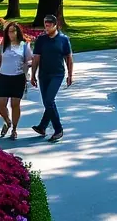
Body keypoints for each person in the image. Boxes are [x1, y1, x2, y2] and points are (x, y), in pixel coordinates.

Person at [30, 14, 73, 143]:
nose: (46, 28)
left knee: (49, 100)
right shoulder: (41, 40)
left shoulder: (63, 39)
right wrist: (32, 75)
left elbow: (69, 58)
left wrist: (70, 75)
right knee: (47, 102)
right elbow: (36, 58)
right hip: (43, 75)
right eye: (45, 25)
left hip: (57, 74)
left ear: (55, 25)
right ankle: (42, 127)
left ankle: (58, 129)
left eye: (49, 25)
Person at [0, 21, 32, 139]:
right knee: (0, 105)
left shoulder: (24, 45)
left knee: (15, 105)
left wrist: (27, 65)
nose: (12, 33)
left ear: (18, 32)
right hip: (3, 77)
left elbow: (30, 60)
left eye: (14, 31)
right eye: (9, 31)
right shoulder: (2, 46)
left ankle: (14, 129)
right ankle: (7, 122)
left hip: (18, 78)